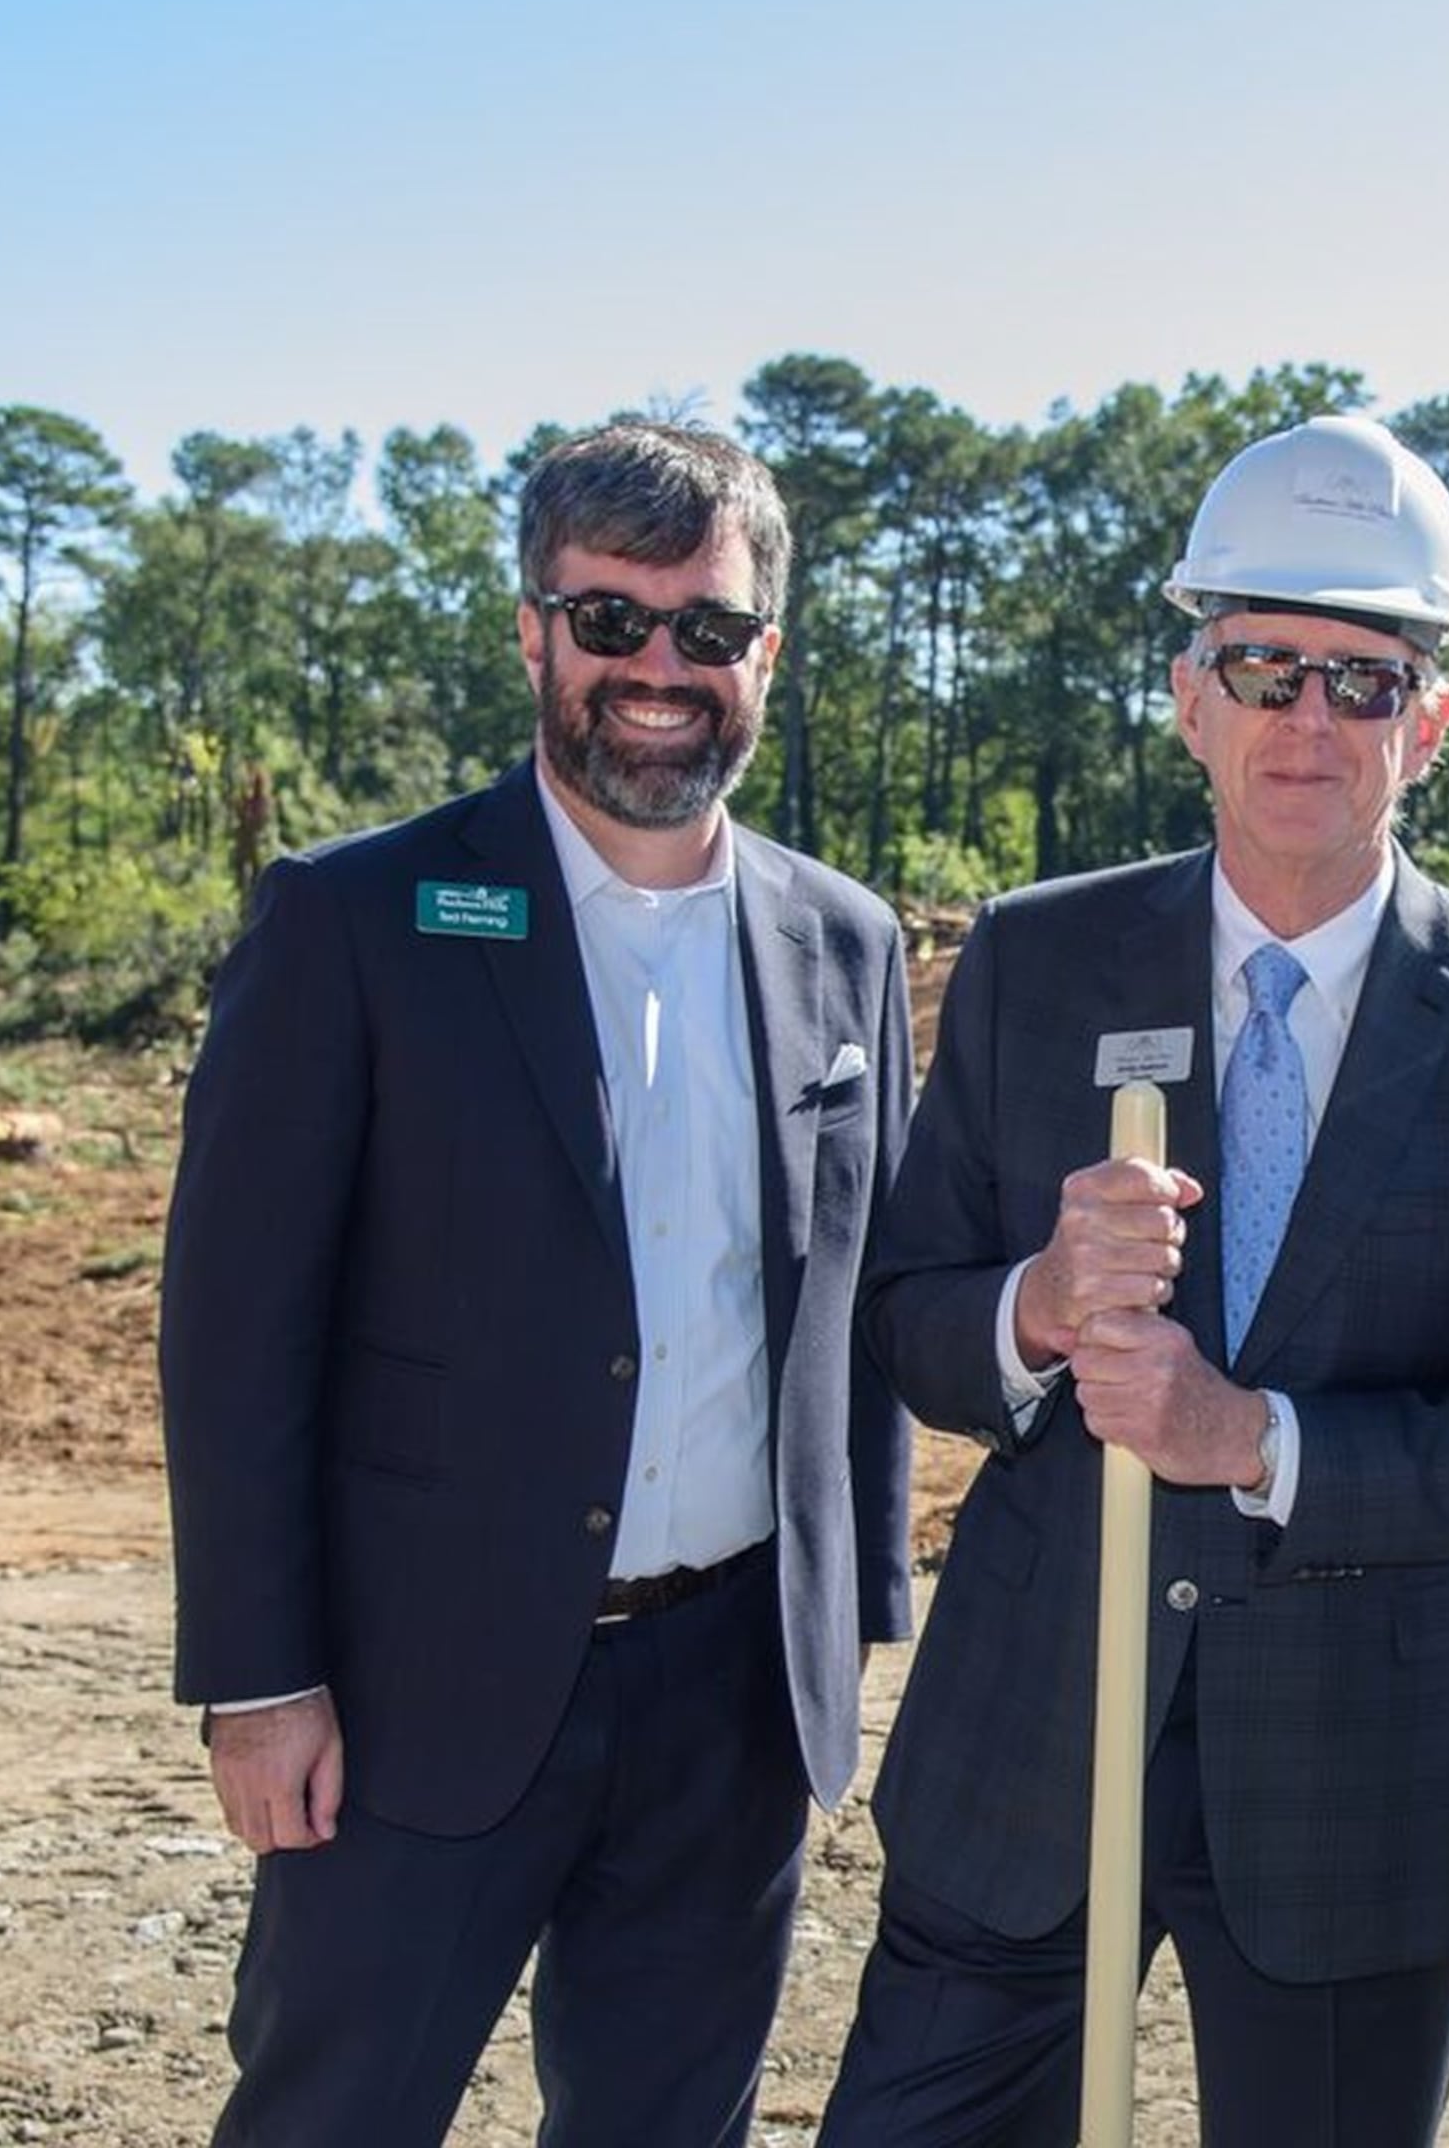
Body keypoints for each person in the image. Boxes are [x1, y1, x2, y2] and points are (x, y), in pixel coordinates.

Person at [817, 414, 1449, 2148]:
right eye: (1266, 666)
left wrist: (1253, 1438)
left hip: (1364, 1793)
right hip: (1029, 1751)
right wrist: (1036, 1307)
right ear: (1192, 695)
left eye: (1365, 676)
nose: (1308, 721)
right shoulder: (1039, 958)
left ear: (1434, 719)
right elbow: (904, 1314)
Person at [157, 421, 914, 2147]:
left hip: (728, 1699)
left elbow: (852, 1306)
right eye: (610, 620)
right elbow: (233, 1332)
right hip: (414, 1689)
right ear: (532, 633)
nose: (659, 670)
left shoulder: (842, 945)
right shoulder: (355, 921)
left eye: (707, 631)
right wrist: (260, 1677)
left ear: (765, 658)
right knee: (329, 2117)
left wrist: (845, 1625)